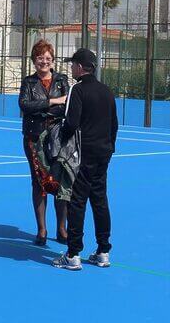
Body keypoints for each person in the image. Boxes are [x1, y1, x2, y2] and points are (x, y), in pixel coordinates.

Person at [52, 48, 118, 271]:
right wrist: (109, 148)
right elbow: (114, 124)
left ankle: (73, 253)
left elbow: (71, 122)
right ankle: (103, 251)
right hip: (103, 153)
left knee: (77, 201)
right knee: (100, 200)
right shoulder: (107, 91)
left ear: (80, 67)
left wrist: (61, 140)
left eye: (72, 64)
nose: (71, 68)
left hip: (83, 154)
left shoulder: (77, 90)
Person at [18, 39, 70, 246]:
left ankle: (61, 228)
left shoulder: (61, 80)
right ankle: (41, 228)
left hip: (58, 137)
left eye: (48, 58)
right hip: (34, 137)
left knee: (60, 181)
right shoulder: (28, 82)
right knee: (39, 181)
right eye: (40, 58)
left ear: (53, 60)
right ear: (34, 60)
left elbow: (67, 106)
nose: (44, 62)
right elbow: (25, 105)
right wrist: (52, 102)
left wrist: (41, 107)